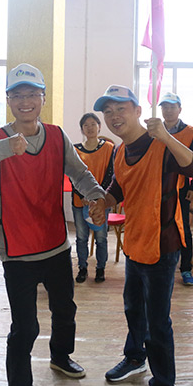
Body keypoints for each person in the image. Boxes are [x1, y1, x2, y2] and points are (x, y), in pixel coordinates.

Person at [0, 63, 108, 386]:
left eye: (32, 94)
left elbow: (79, 173)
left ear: (43, 98)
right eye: (17, 95)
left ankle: (60, 356)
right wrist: (3, 149)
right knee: (25, 327)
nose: (25, 101)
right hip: (16, 251)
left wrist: (96, 196)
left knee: (65, 310)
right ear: (8, 100)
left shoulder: (57, 136)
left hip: (55, 245)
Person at [94, 85, 193, 386]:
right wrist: (105, 202)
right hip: (135, 241)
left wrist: (167, 136)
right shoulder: (119, 151)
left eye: (121, 109)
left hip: (162, 245)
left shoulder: (162, 145)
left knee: (157, 323)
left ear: (138, 111)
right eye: (108, 111)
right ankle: (135, 357)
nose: (114, 116)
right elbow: (119, 185)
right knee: (133, 309)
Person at [159, 92, 193, 286]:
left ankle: (186, 269)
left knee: (183, 228)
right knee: (159, 226)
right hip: (158, 188)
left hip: (181, 188)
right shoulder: (155, 130)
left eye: (172, 107)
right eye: (165, 107)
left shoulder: (191, 132)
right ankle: (159, 264)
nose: (168, 110)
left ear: (179, 109)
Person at [71, 112, 114, 283]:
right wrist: (84, 195)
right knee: (81, 237)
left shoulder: (109, 148)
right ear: (82, 129)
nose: (89, 128)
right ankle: (82, 268)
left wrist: (97, 197)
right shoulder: (74, 150)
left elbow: (110, 175)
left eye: (93, 124)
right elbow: (73, 176)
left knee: (101, 237)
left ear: (99, 127)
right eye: (86, 125)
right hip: (79, 201)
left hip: (101, 202)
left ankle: (100, 268)